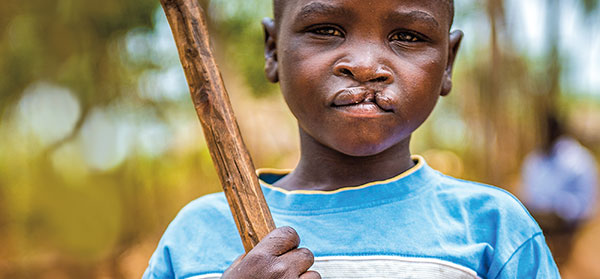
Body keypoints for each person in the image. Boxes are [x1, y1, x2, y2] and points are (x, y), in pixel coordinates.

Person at [143, 0, 560, 278]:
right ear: (272, 50)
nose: (364, 66)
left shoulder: (493, 229)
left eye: (408, 36)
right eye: (326, 29)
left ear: (447, 63)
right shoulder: (197, 235)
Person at [520, 112, 599, 265]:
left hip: (566, 226)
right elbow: (527, 193)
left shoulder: (578, 159)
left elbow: (586, 203)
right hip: (537, 223)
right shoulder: (534, 159)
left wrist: (557, 210)